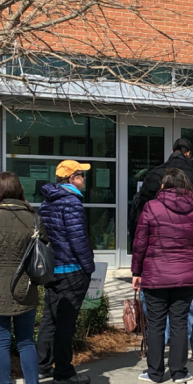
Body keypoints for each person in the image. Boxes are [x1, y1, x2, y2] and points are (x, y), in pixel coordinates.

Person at [132, 168, 193, 384]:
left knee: (155, 324)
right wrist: (188, 259)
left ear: (164, 185)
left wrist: (136, 272)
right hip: (184, 275)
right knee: (179, 323)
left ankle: (155, 373)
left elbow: (140, 244)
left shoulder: (151, 207)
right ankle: (179, 372)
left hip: (155, 275)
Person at [38, 160, 95, 384]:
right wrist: (88, 267)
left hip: (53, 268)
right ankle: (64, 372)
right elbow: (78, 239)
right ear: (72, 178)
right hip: (72, 269)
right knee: (65, 323)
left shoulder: (48, 201)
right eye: (81, 174)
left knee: (50, 319)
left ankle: (42, 364)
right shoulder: (71, 202)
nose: (84, 178)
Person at [0, 172, 46, 384]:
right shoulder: (34, 219)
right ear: (19, 190)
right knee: (26, 341)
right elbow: (44, 250)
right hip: (25, 286)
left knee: (1, 342)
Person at [132, 138, 193, 243]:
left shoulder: (154, 173)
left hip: (158, 236)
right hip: (187, 237)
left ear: (172, 152)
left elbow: (142, 209)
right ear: (188, 154)